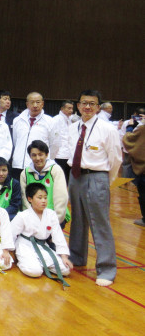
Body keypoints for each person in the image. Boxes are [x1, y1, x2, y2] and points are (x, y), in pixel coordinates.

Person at [67, 90, 121, 287]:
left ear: (98, 107)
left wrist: (104, 180)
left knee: (100, 224)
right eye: (84, 103)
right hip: (76, 177)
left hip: (97, 177)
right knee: (78, 222)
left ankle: (106, 269)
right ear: (78, 106)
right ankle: (77, 258)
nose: (87, 107)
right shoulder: (73, 128)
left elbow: (116, 159)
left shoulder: (108, 129)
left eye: (92, 103)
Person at [11, 183, 73, 288]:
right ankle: (24, 261)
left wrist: (64, 256)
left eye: (45, 197)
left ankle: (40, 262)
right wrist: (9, 252)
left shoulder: (51, 214)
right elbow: (11, 234)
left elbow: (58, 236)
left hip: (43, 246)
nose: (44, 201)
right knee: (35, 272)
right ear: (30, 199)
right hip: (25, 245)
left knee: (65, 269)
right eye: (39, 198)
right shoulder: (22, 215)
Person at [20, 140, 69, 227]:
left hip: (55, 217)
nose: (37, 158)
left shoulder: (55, 170)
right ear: (30, 156)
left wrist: (55, 221)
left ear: (46, 154)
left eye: (40, 154)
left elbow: (61, 198)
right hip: (33, 218)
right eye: (34, 155)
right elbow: (25, 199)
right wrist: (31, 219)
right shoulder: (25, 173)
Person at [11, 92, 56, 179]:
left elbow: (54, 145)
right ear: (27, 104)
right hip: (18, 165)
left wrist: (46, 159)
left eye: (38, 102)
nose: (35, 105)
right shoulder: (17, 120)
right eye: (32, 102)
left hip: (39, 166)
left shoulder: (50, 121)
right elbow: (16, 141)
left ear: (42, 104)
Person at [123, 113, 145, 226]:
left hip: (143, 170)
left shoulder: (142, 129)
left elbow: (129, 140)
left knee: (143, 193)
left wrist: (130, 127)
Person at [50, 100, 75, 183]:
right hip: (59, 155)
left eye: (72, 108)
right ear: (62, 108)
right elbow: (53, 138)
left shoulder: (70, 120)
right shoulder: (56, 119)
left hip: (68, 154)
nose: (71, 110)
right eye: (69, 108)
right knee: (59, 179)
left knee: (66, 180)